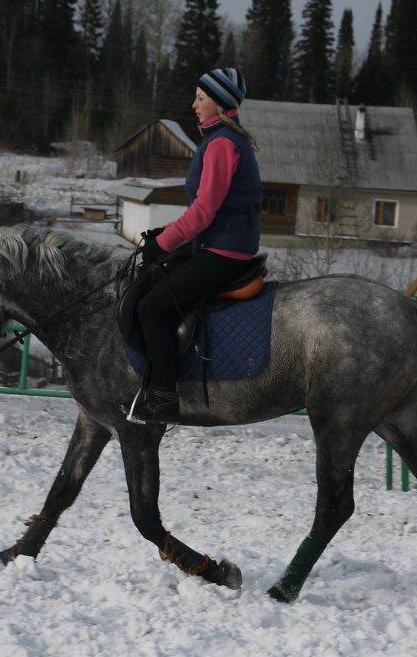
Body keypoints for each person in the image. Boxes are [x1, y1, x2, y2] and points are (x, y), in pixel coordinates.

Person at [127, 67, 262, 424]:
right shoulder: (225, 139)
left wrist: (165, 242)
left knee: (153, 308)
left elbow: (204, 210)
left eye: (201, 98)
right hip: (218, 244)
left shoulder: (221, 144)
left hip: (224, 251)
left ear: (219, 103)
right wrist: (164, 236)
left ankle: (164, 399)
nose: (194, 104)